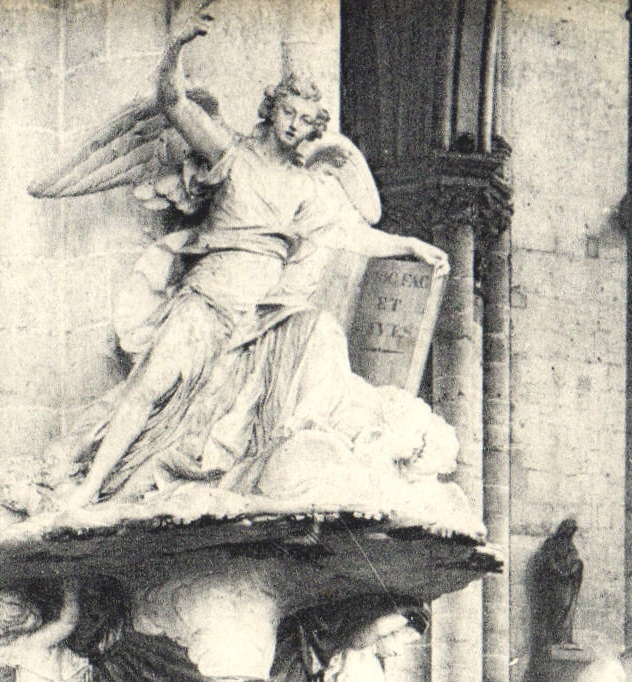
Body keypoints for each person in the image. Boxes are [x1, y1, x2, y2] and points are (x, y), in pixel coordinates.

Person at [59, 7, 452, 513]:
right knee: (147, 390)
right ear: (272, 109)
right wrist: (175, 46)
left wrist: (411, 246)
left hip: (256, 320)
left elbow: (352, 234)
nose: (295, 126)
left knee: (312, 336)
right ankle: (89, 491)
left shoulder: (306, 188)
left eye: (308, 121)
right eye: (289, 113)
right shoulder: (232, 154)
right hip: (205, 303)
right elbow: (173, 102)